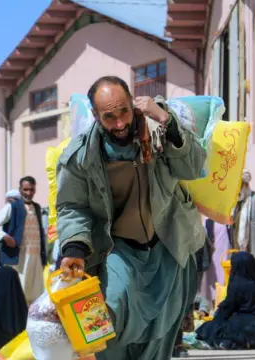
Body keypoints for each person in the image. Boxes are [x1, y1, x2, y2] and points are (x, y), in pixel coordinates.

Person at [56, 76, 206, 360]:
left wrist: (169, 123)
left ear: (132, 102)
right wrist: (74, 246)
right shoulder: (80, 156)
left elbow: (195, 167)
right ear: (96, 117)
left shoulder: (158, 129)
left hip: (167, 246)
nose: (120, 123)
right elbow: (72, 206)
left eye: (123, 111)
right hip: (118, 250)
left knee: (162, 329)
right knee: (110, 316)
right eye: (109, 117)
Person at [0, 176, 47, 304]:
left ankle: (29, 323)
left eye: (31, 190)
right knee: (18, 294)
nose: (28, 193)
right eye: (25, 189)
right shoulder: (12, 207)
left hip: (35, 258)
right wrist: (5, 237)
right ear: (20, 190)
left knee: (35, 295)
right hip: (18, 259)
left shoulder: (36, 208)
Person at [196, 251, 255, 350]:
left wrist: (215, 320)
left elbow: (227, 309)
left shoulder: (237, 284)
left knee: (208, 328)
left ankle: (230, 342)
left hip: (246, 331)